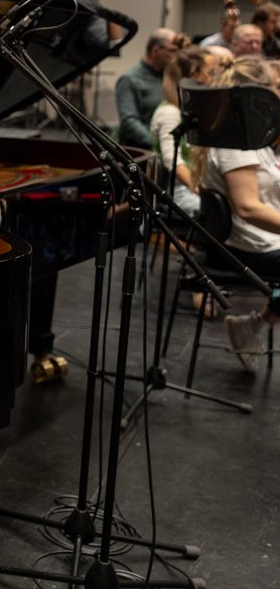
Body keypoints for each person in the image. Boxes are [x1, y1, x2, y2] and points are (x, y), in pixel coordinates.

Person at [192, 57, 280, 374]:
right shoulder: (234, 143)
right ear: (257, 92)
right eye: (276, 86)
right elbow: (247, 207)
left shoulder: (249, 134)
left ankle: (254, 325)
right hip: (244, 246)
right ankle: (255, 325)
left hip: (259, 238)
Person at [150, 48, 210, 217]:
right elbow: (172, 160)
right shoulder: (170, 112)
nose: (212, 80)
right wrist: (201, 191)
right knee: (222, 213)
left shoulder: (189, 110)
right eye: (209, 74)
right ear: (192, 79)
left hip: (199, 183)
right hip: (179, 190)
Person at [115, 27, 177, 150]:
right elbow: (129, 122)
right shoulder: (129, 79)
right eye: (172, 51)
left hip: (168, 145)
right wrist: (157, 145)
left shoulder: (170, 77)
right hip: (144, 150)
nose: (176, 56)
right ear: (155, 51)